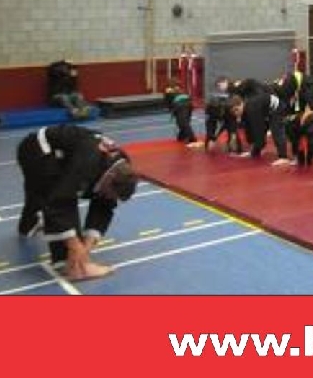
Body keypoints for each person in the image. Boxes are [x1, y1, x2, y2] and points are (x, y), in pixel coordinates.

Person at [16, 124, 137, 280]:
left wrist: (86, 247)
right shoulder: (87, 164)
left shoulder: (122, 166)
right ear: (110, 177)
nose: (108, 198)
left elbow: (105, 205)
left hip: (62, 154)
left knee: (43, 196)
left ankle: (29, 223)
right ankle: (72, 266)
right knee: (57, 194)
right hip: (37, 149)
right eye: (109, 193)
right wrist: (75, 245)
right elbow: (60, 200)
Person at [163, 77, 198, 146]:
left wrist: (172, 110)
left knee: (183, 123)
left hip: (180, 105)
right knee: (184, 122)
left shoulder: (168, 90)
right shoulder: (181, 88)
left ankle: (192, 138)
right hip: (188, 104)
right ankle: (181, 136)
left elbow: (168, 102)